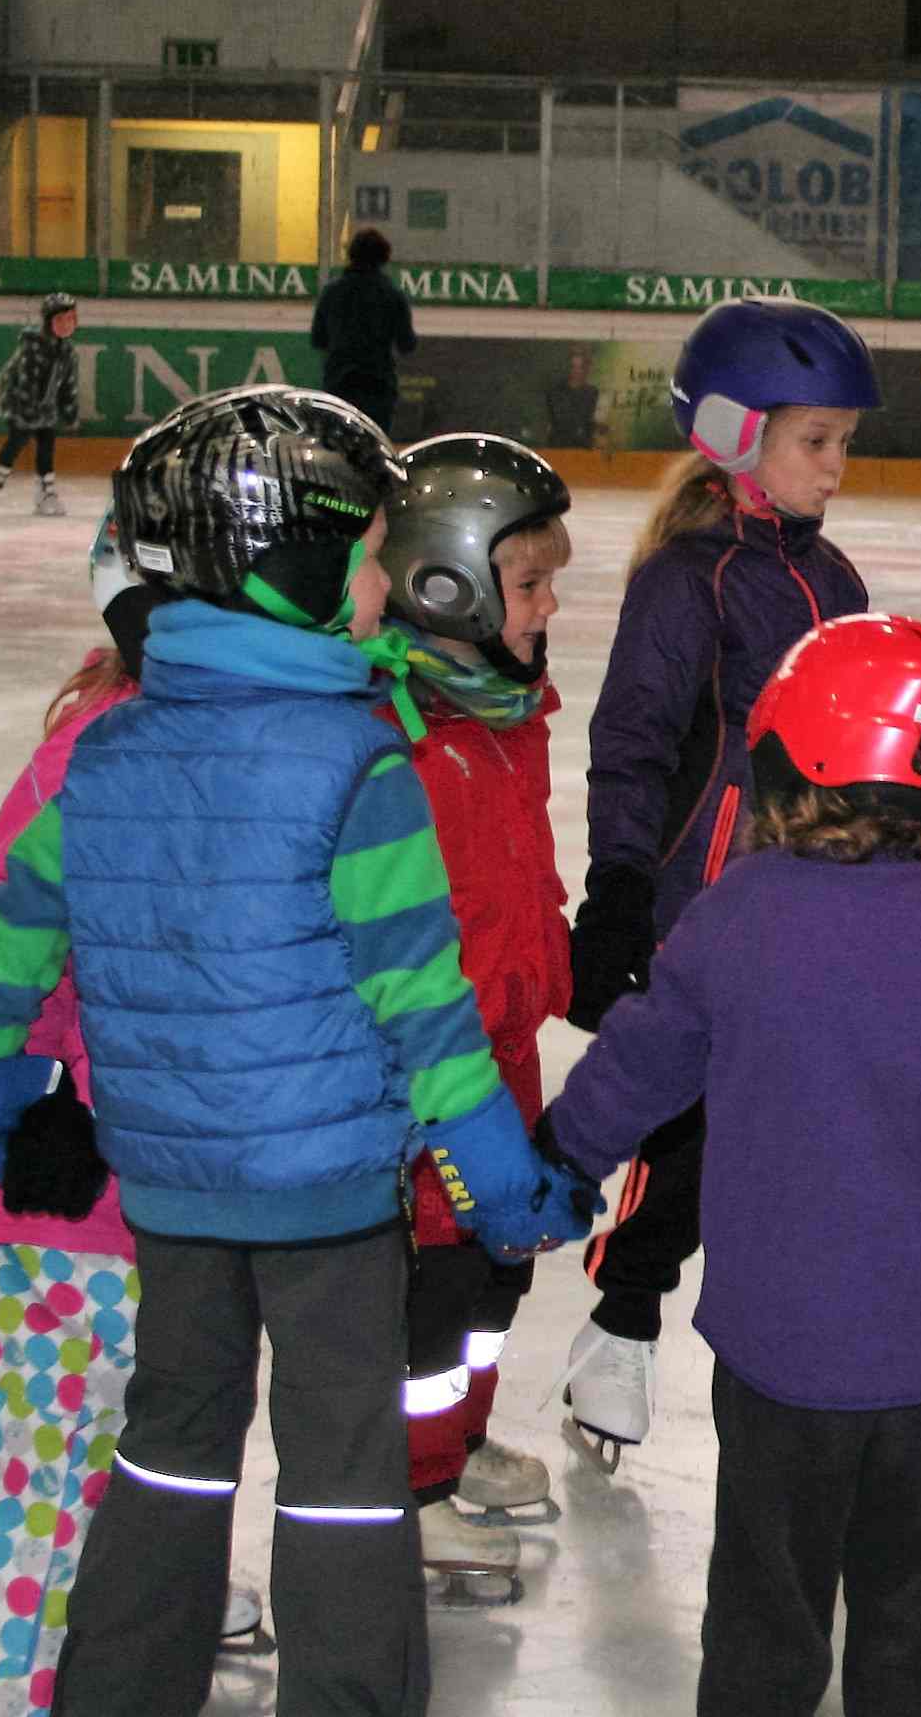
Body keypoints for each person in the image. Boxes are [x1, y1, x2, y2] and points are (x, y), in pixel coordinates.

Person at [0, 385, 595, 1717]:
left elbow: (5, 935)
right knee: (345, 1470)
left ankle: (119, 1692)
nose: (382, 588)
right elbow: (424, 1011)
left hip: (169, 1194)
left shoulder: (112, 750)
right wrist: (502, 1179)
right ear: (296, 567)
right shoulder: (359, 766)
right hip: (329, 1205)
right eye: (367, 558)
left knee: (170, 1448)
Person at [540, 615, 921, 1717]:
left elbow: (638, 1065)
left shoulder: (735, 912)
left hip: (777, 1357)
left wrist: (555, 1163)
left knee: (767, 1615)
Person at [0, 519, 270, 1716]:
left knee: (139, 1459)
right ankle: (2, 1693)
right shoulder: (109, 751)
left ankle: (133, 1619)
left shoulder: (215, 746)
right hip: (67, 1205)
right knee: (42, 1481)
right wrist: (79, 1080)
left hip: (163, 1198)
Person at [566, 299, 875, 1466]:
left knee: (797, 1137)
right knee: (688, 1131)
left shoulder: (835, 577)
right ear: (740, 435)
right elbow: (632, 744)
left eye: (844, 443)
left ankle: (796, 1350)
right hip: (702, 912)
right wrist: (615, 889)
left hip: (818, 913)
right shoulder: (684, 583)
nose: (836, 468)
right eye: (816, 442)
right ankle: (622, 1323)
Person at [379, 431, 581, 1594]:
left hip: (508, 1049)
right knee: (439, 1283)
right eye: (530, 582)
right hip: (433, 1069)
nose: (550, 606)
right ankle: (408, 1489)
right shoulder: (398, 729)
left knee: (502, 1270)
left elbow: (520, 875)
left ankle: (456, 1445)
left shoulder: (509, 710)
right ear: (445, 583)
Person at [0, 291, 82, 516]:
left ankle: (46, 491)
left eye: (71, 319)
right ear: (48, 322)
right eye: (60, 319)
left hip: (45, 406)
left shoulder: (68, 352)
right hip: (18, 401)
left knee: (46, 441)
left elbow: (67, 386)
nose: (67, 324)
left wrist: (69, 411)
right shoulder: (32, 347)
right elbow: (26, 380)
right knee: (19, 437)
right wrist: (28, 409)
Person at [311, 227, 419, 429]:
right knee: (375, 441)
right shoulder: (392, 295)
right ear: (384, 258)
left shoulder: (331, 293)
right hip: (378, 386)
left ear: (351, 255)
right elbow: (407, 344)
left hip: (339, 383)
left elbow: (318, 339)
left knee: (339, 440)